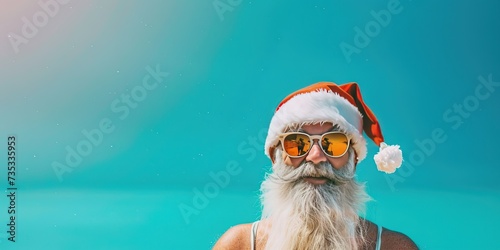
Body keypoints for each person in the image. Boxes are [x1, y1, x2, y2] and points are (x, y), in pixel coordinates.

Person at [213, 82, 418, 249]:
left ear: (353, 160)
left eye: (334, 143)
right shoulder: (238, 245)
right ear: (275, 158)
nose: (316, 156)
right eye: (297, 143)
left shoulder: (393, 247)